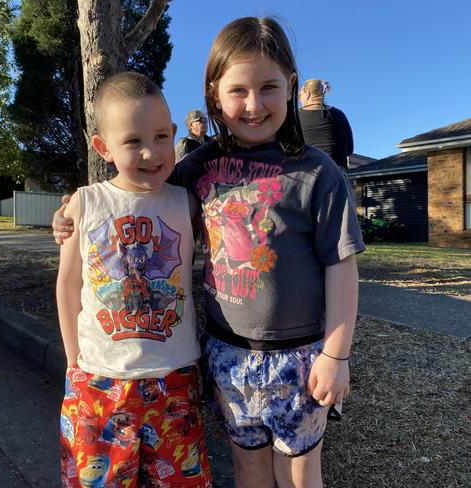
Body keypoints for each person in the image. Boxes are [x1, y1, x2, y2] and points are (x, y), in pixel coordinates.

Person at [54, 17, 364, 488]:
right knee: (250, 469)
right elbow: (132, 195)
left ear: (292, 86)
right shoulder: (193, 168)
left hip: (299, 358)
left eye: (269, 87)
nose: (254, 104)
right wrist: (71, 215)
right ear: (214, 94)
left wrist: (336, 356)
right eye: (238, 90)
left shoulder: (319, 174)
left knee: (301, 474)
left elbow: (341, 266)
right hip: (226, 355)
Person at [55, 71, 212, 487]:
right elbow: (69, 285)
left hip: (175, 377)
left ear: (176, 133)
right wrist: (73, 362)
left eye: (162, 136)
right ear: (103, 147)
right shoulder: (85, 203)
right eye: (133, 141)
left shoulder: (187, 203)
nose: (151, 152)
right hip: (99, 381)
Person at [299, 79, 354, 172]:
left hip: (308, 174)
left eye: (300, 95)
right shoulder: (339, 114)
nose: (300, 100)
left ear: (307, 94)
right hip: (338, 174)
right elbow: (350, 149)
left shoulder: (296, 116)